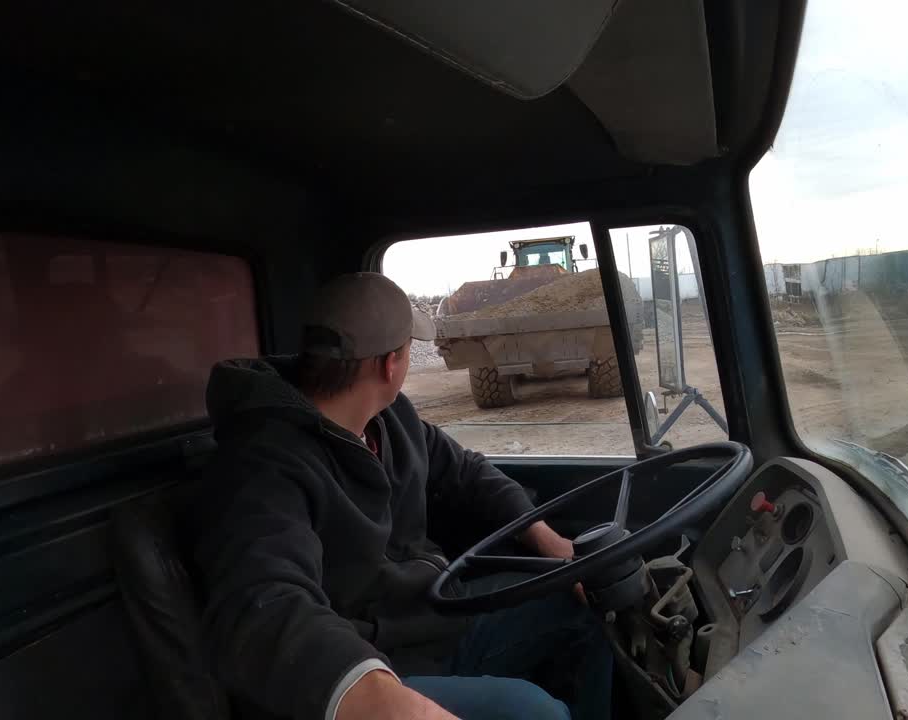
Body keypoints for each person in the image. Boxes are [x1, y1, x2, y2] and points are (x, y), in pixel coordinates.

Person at [188, 272, 611, 720]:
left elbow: (467, 472)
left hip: (436, 618)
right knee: (534, 713)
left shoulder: (392, 420)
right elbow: (265, 604)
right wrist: (391, 702)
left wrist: (550, 542)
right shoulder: (263, 464)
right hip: (375, 661)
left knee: (587, 604)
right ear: (391, 365)